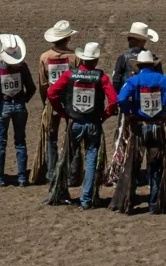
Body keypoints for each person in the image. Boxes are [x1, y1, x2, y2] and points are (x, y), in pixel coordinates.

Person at [111, 50, 166, 214]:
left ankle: (128, 203)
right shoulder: (165, 80)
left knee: (133, 165)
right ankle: (154, 204)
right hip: (157, 127)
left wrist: (129, 113)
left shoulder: (133, 81)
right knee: (156, 166)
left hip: (139, 127)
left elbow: (121, 99)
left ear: (139, 66)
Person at [46, 40, 115, 209]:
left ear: (83, 59)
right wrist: (104, 116)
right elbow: (113, 100)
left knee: (66, 158)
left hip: (74, 122)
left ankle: (60, 193)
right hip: (93, 123)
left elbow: (51, 92)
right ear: (96, 60)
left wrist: (63, 113)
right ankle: (86, 199)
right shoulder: (102, 77)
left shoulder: (70, 75)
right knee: (91, 159)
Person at [34, 20, 76, 188]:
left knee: (51, 136)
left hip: (52, 100)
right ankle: (71, 171)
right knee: (71, 135)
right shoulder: (74, 57)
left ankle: (51, 172)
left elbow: (43, 83)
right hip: (69, 100)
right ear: (68, 39)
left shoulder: (45, 57)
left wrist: (46, 101)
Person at [0, 33, 34, 187]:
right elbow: (31, 88)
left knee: (0, 142)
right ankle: (22, 177)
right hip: (19, 105)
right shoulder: (22, 67)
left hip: (4, 106)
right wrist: (23, 101)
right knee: (20, 142)